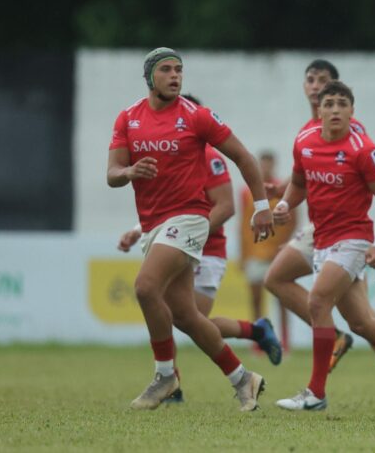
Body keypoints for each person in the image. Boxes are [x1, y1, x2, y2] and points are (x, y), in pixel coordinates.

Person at [107, 48, 274, 411]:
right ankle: (243, 378)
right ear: (150, 76)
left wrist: (261, 206)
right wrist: (129, 173)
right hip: (154, 225)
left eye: (179, 70)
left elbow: (244, 157)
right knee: (185, 315)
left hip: (190, 219)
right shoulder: (128, 118)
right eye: (166, 69)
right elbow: (112, 174)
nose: (174, 75)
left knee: (145, 287)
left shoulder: (196, 117)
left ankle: (165, 375)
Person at [272, 81, 375, 411]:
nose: (335, 110)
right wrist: (284, 206)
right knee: (362, 323)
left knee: (318, 301)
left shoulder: (363, 150)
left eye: (341, 104)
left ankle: (315, 393)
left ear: (352, 110)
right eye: (329, 104)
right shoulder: (304, 142)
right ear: (318, 111)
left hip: (353, 240)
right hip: (322, 241)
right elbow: (298, 183)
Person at [239, 151, 295, 345]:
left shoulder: (282, 190)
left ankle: (285, 342)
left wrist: (284, 247)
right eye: (262, 165)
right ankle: (259, 342)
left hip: (277, 253)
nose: (265, 169)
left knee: (283, 300)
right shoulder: (247, 192)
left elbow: (293, 220)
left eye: (268, 165)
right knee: (256, 300)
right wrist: (243, 254)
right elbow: (243, 224)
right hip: (256, 252)